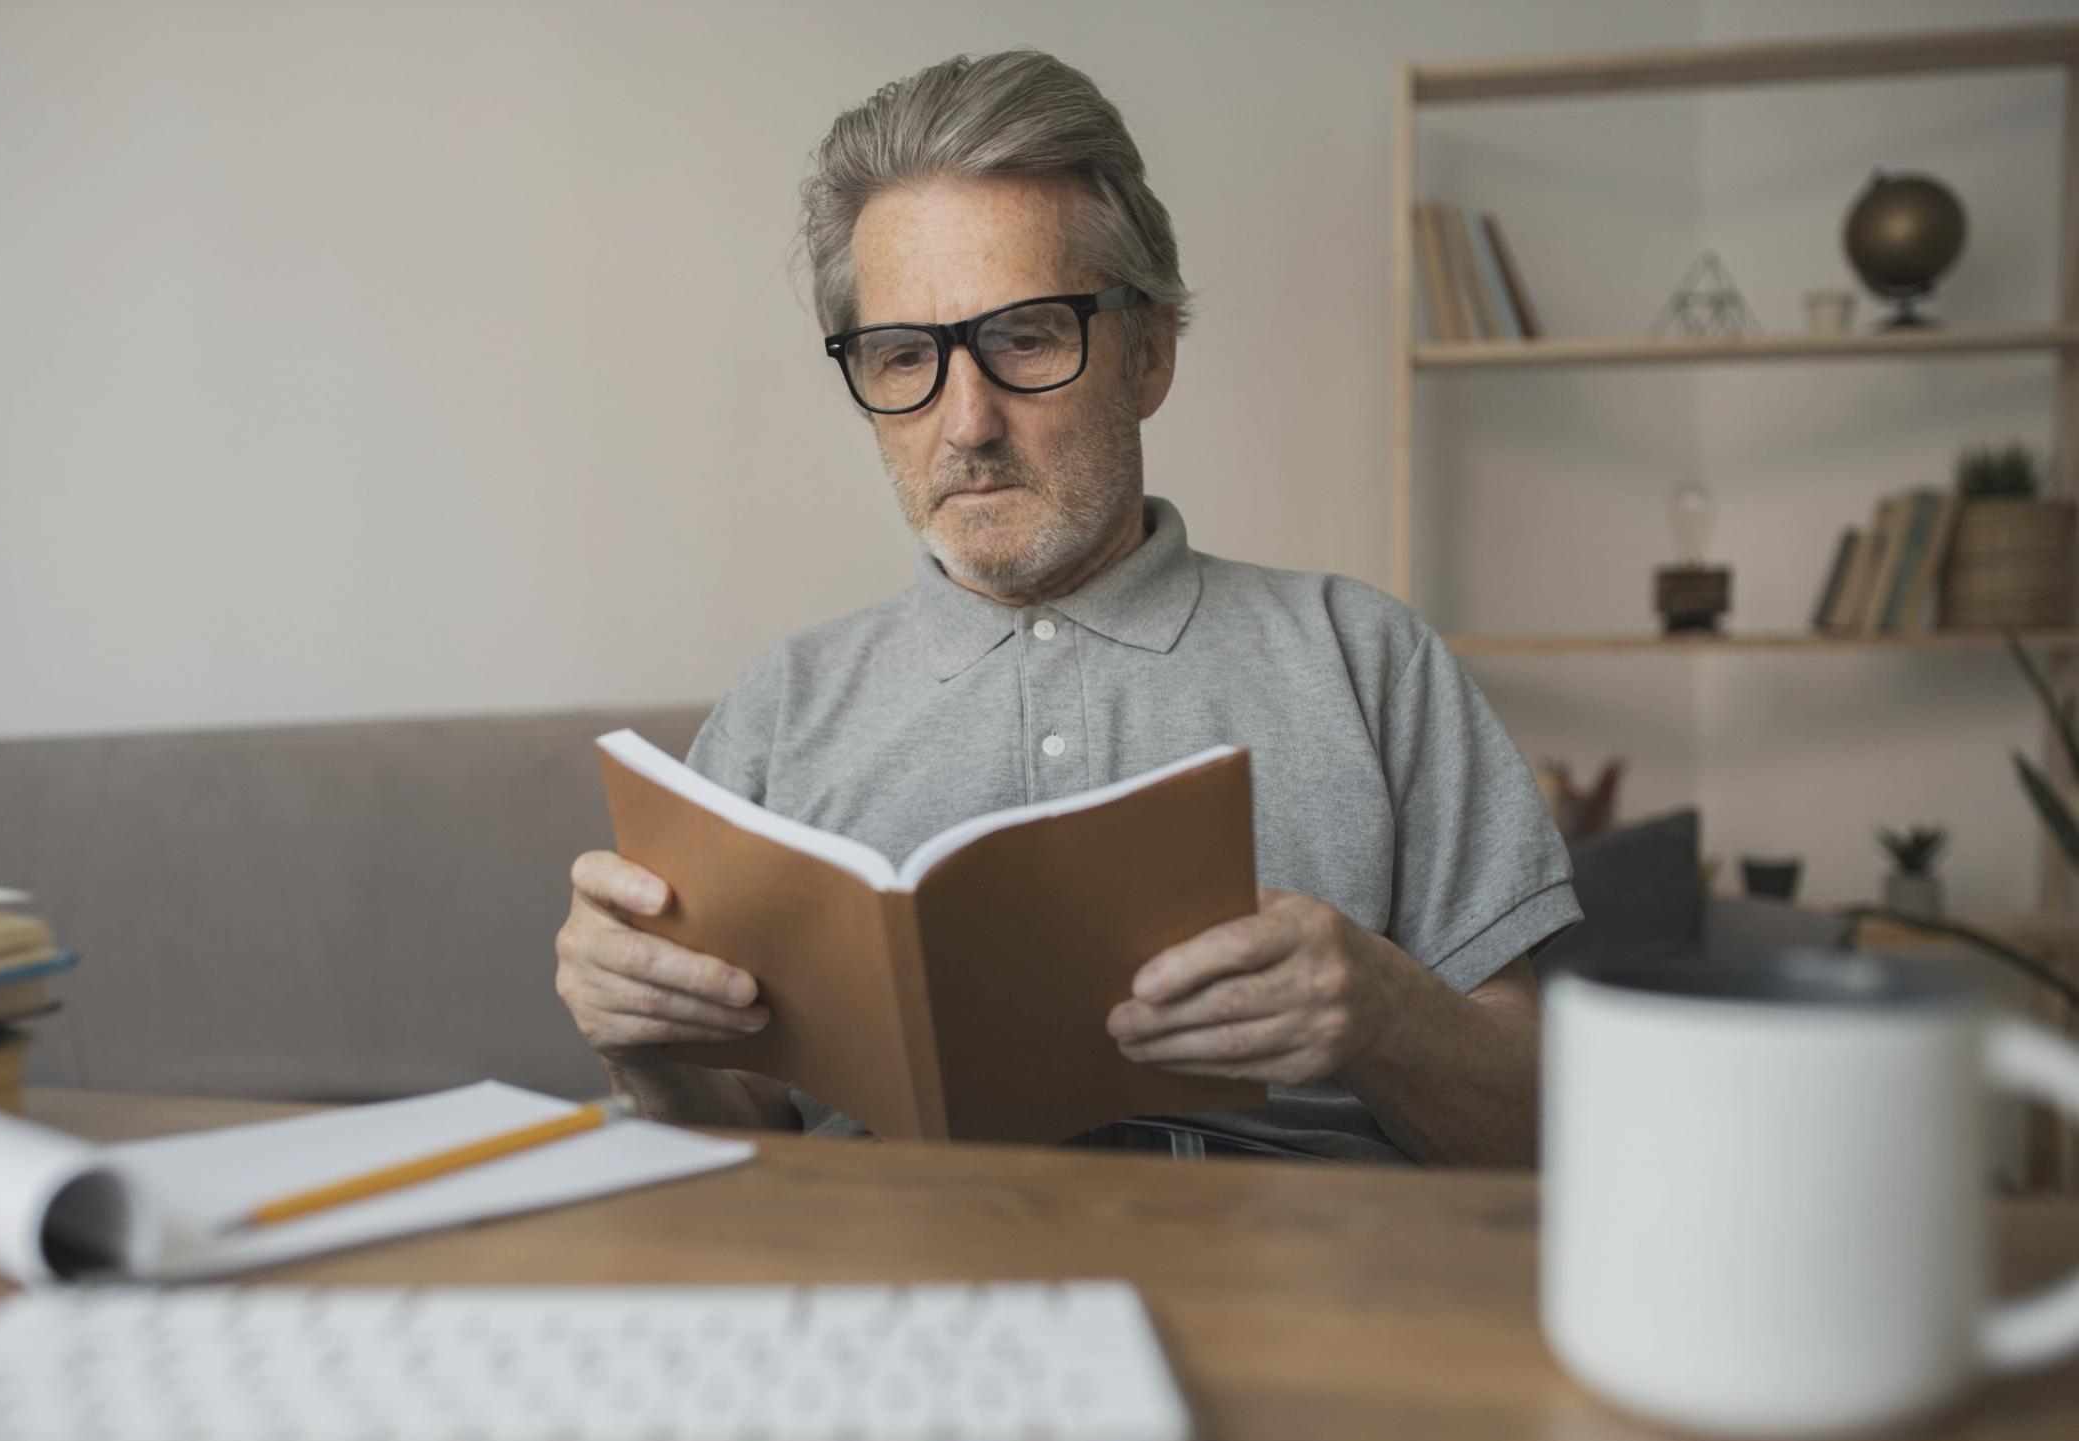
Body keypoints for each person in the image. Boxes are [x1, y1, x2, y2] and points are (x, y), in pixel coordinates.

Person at [553, 49, 1580, 1166]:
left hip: (1301, 1267)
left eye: (1025, 336)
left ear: (1148, 355)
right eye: (904, 357)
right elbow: (734, 1154)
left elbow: (1539, 1139)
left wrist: (1383, 1010)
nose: (967, 422)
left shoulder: (1366, 656)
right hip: (897, 1263)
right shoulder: (778, 708)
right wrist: (645, 1052)